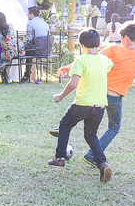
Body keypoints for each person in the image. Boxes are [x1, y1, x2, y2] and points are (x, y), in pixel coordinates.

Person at [56, 21, 135, 168]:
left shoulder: (113, 49)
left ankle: (63, 130)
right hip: (114, 98)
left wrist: (69, 67)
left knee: (77, 112)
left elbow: (90, 58)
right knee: (113, 127)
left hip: (99, 92)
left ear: (125, 39)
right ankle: (93, 156)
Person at [48, 28, 114, 182]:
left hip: (82, 104)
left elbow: (73, 84)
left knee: (65, 126)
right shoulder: (104, 61)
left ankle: (60, 158)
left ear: (81, 45)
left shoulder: (80, 60)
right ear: (98, 44)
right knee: (91, 135)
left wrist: (60, 96)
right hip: (99, 106)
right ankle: (103, 164)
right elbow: (112, 65)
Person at [24, 6, 52, 83]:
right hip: (47, 49)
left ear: (32, 14)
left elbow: (29, 39)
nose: (27, 15)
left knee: (27, 51)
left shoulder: (30, 23)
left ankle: (26, 74)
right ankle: (27, 74)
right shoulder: (44, 23)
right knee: (29, 49)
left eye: (28, 13)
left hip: (38, 49)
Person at [0, 11, 20, 84]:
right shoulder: (10, 26)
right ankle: (6, 80)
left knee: (1, 59)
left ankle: (0, 69)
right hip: (17, 51)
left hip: (8, 53)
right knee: (6, 61)